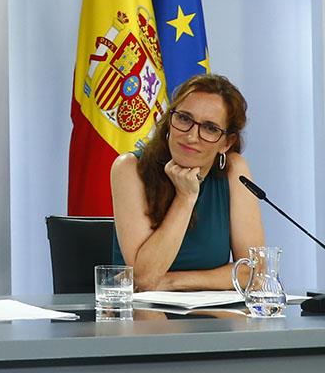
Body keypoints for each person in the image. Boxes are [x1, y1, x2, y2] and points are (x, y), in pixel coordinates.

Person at [110, 73, 264, 291]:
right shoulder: (129, 168)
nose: (192, 136)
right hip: (143, 318)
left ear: (226, 143)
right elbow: (144, 279)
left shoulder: (234, 170)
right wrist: (185, 197)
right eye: (184, 118)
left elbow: (254, 272)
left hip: (213, 317)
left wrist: (172, 282)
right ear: (169, 121)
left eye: (210, 128)